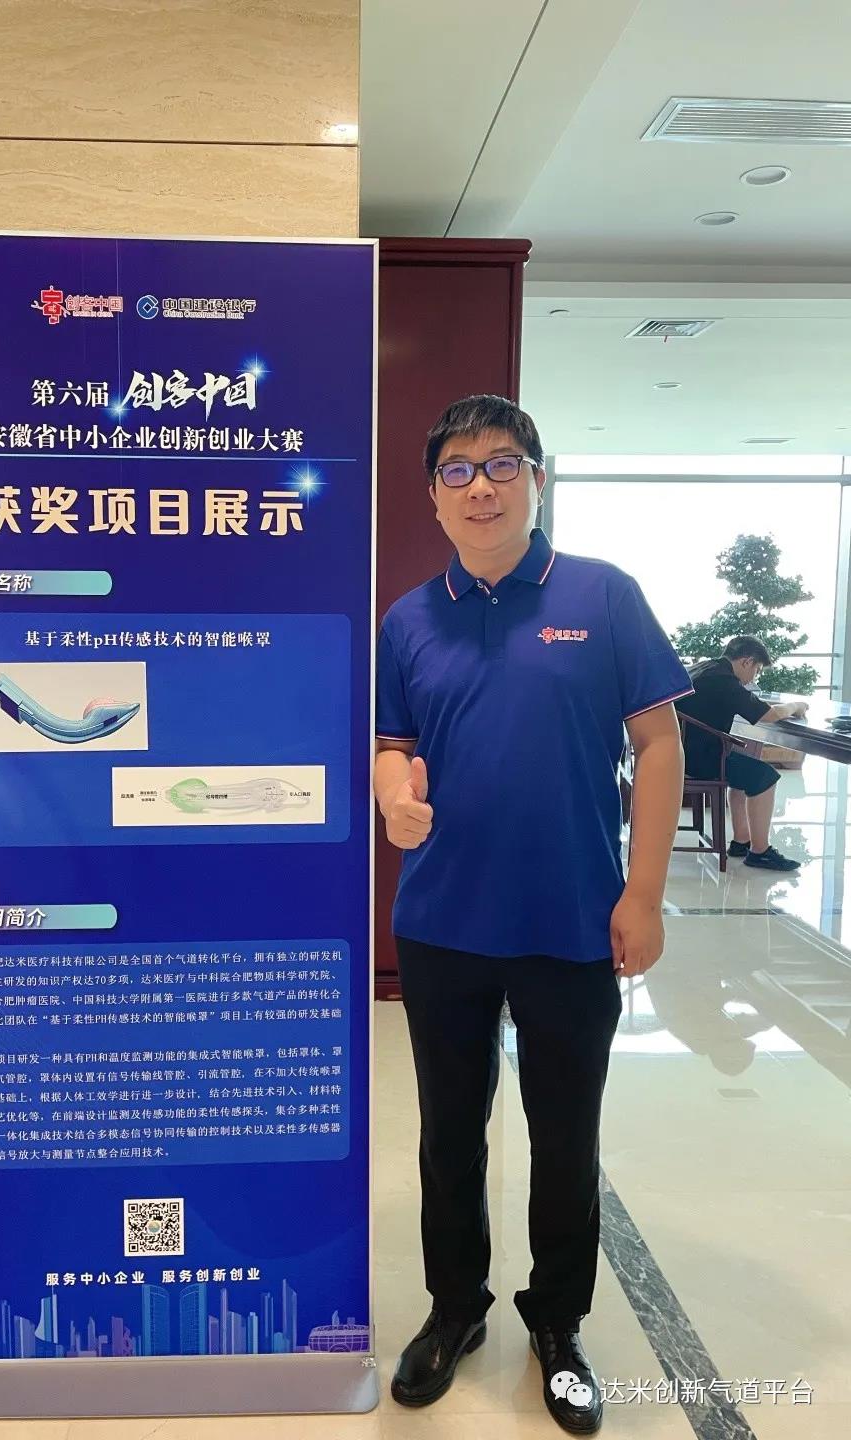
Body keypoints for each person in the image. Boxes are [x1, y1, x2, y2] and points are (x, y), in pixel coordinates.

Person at [375, 394, 691, 1434]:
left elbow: (658, 745)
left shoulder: (603, 595)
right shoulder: (408, 619)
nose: (481, 486)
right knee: (448, 1136)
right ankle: (454, 1309)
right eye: (457, 470)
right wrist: (394, 793)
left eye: (502, 464)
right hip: (443, 923)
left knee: (564, 1138)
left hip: (571, 920)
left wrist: (644, 894)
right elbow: (393, 743)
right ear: (433, 496)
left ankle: (558, 1322)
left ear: (538, 480)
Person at [676, 637, 807, 872]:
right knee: (765, 776)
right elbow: (769, 715)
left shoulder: (705, 668)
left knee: (744, 772)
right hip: (700, 760)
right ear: (747, 661)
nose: (753, 678)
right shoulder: (725, 681)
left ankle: (741, 842)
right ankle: (760, 852)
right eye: (757, 670)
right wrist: (796, 706)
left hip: (680, 753)